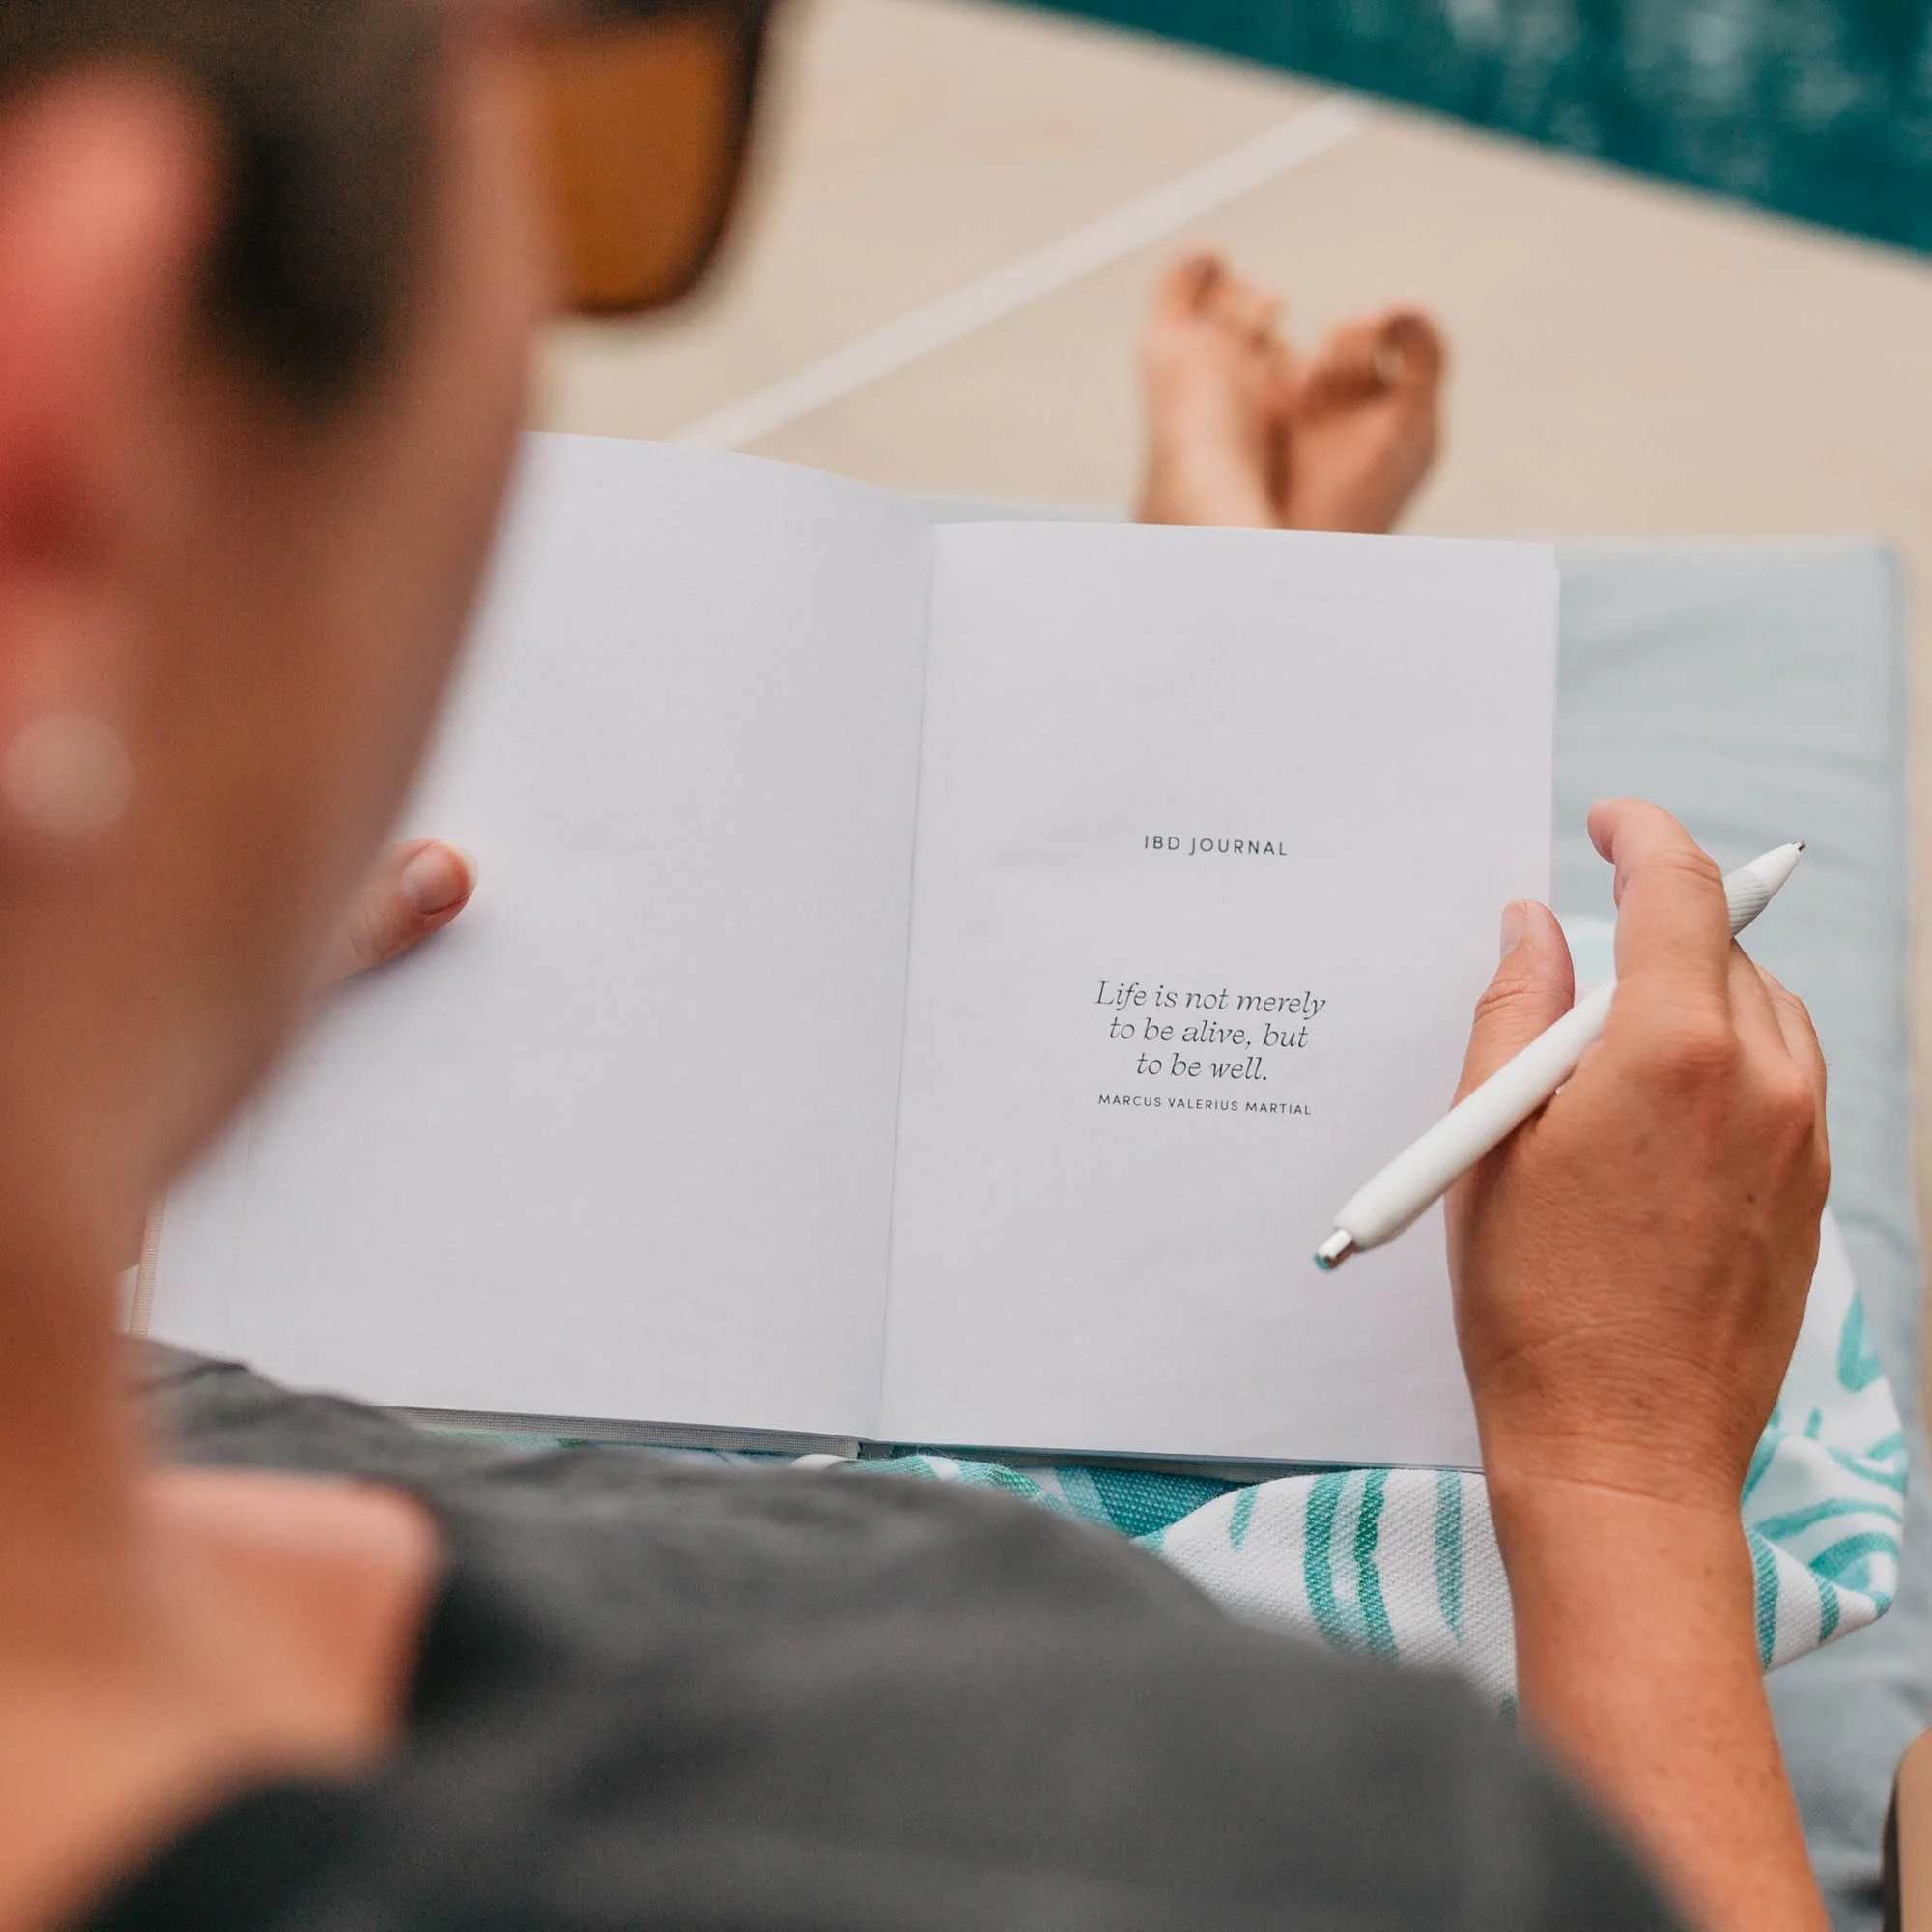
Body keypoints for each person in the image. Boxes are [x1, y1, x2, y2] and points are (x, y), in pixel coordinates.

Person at [0, 3, 1834, 1929]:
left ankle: (1207, 651)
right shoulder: (1274, 1851)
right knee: (1673, 1162)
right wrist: (1624, 1479)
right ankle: (1234, 652)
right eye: (548, 117)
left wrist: (93, 1058)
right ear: (76, 415)